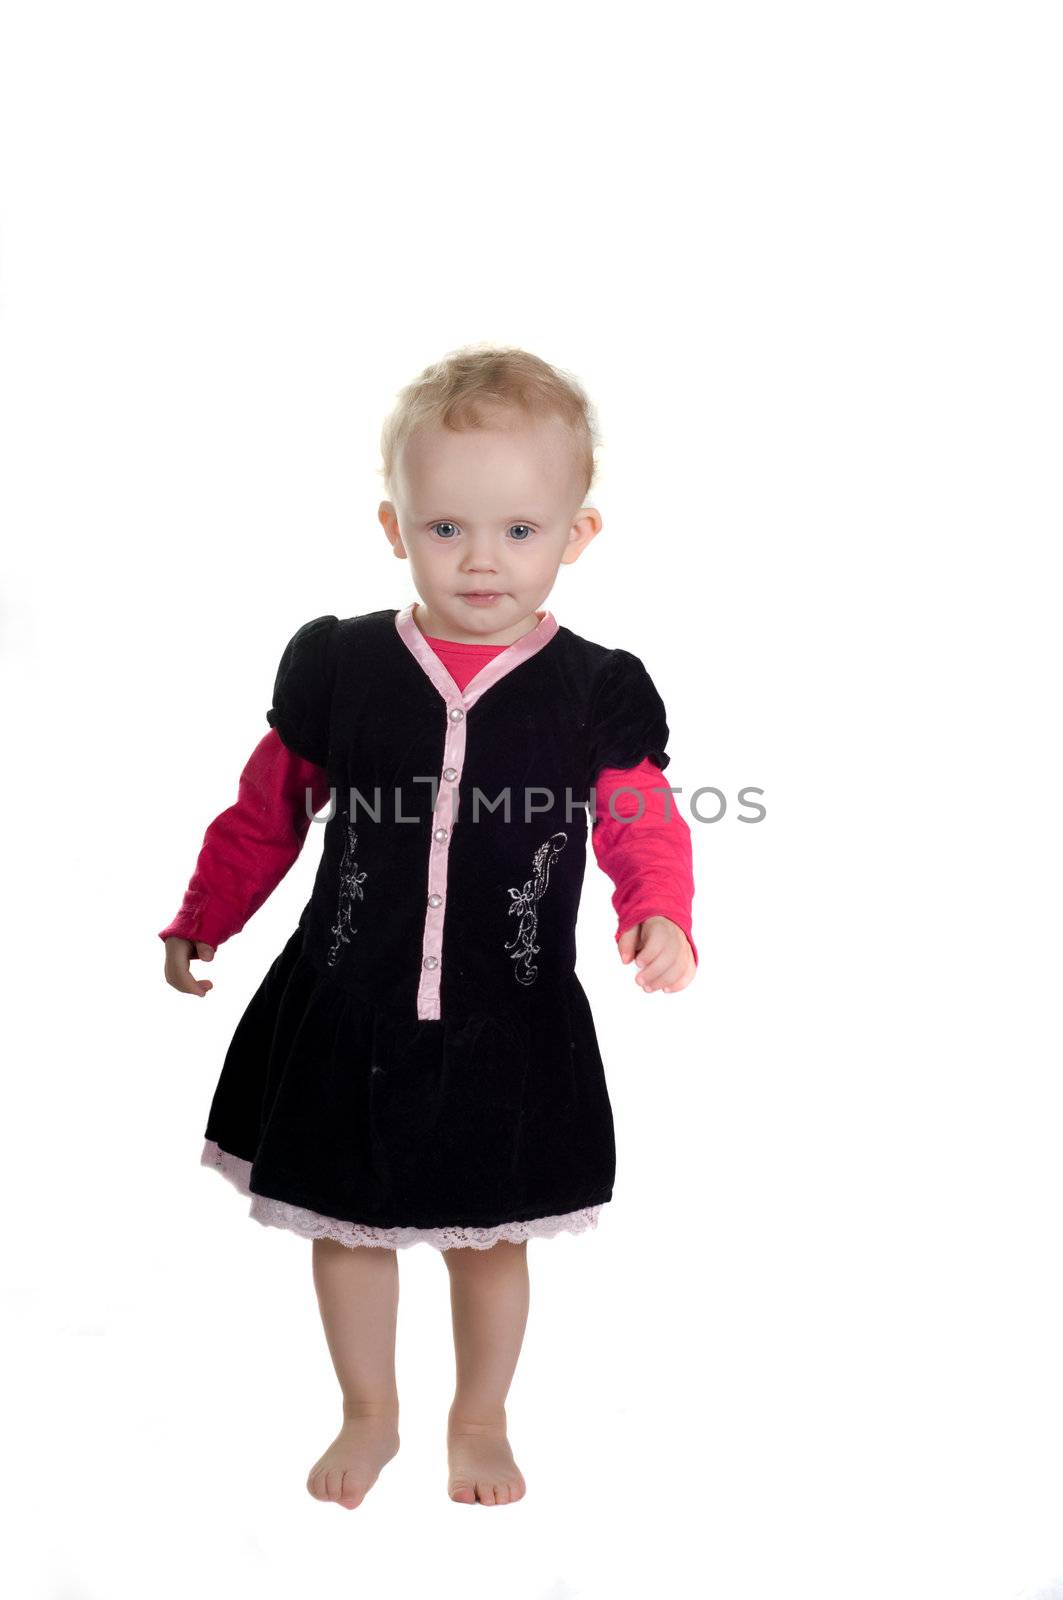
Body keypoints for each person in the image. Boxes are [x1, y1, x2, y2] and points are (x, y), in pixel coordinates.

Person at [159, 345, 698, 1510]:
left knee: (487, 1235)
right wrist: (207, 914)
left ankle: (480, 1416)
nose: (483, 559)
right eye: (446, 527)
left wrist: (658, 910)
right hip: (346, 1001)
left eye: (518, 529)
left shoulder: (592, 688)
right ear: (396, 527)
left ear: (576, 533)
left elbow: (642, 819)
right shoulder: (344, 665)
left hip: (507, 1015)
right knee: (348, 1225)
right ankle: (369, 1408)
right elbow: (270, 808)